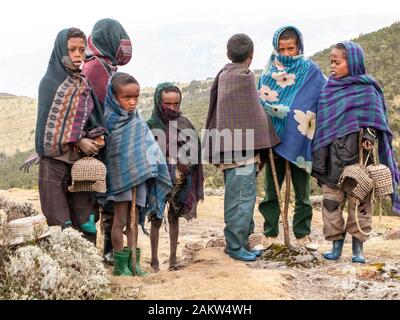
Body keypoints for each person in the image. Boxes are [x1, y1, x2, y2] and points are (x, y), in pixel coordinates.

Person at [312, 41, 400, 263]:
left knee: (360, 204)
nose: (332, 66)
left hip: (360, 159)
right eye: (331, 61)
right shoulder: (328, 89)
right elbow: (322, 125)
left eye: (337, 62)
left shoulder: (368, 90)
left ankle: (358, 248)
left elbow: (376, 121)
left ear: (352, 63)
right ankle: (335, 244)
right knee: (331, 203)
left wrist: (370, 135)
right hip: (331, 158)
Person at [203, 34, 280, 261]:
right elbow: (255, 113)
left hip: (228, 150)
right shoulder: (246, 77)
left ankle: (243, 242)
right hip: (244, 153)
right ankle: (235, 246)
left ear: (228, 54)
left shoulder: (223, 75)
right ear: (251, 55)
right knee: (241, 200)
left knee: (240, 196)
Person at [257, 26, 326, 250]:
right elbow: (261, 102)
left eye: (291, 48)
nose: (286, 53)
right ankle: (269, 234)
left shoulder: (311, 70)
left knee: (302, 192)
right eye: (282, 48)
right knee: (271, 190)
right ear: (276, 47)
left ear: (299, 46)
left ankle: (303, 234)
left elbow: (322, 97)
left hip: (301, 140)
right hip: (274, 140)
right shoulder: (268, 71)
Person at [35, 27, 106, 243]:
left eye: (81, 50)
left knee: (86, 218)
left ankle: (87, 271)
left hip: (81, 166)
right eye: (72, 49)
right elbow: (47, 130)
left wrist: (97, 137)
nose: (78, 55)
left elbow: (94, 118)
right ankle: (66, 272)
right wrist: (79, 140)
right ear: (60, 50)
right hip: (54, 164)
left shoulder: (83, 83)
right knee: (59, 222)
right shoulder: (49, 84)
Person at [102, 72, 172, 275]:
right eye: (126, 98)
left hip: (139, 178)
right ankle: (120, 266)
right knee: (120, 220)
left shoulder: (138, 119)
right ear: (114, 97)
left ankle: (135, 263)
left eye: (136, 97)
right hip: (120, 180)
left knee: (134, 220)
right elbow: (111, 153)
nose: (132, 102)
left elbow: (148, 146)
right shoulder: (108, 121)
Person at [82, 18, 132, 264]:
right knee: (95, 203)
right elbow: (93, 110)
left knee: (110, 202)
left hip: (109, 146)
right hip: (94, 147)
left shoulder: (106, 67)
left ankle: (108, 253)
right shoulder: (95, 68)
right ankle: (92, 258)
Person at [147, 82, 204, 271]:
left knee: (174, 216)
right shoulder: (151, 125)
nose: (172, 108)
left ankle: (172, 259)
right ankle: (154, 261)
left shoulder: (184, 122)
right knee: (155, 217)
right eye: (167, 104)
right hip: (159, 179)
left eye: (176, 104)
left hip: (181, 179)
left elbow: (195, 147)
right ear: (158, 102)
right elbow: (147, 152)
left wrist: (183, 162)